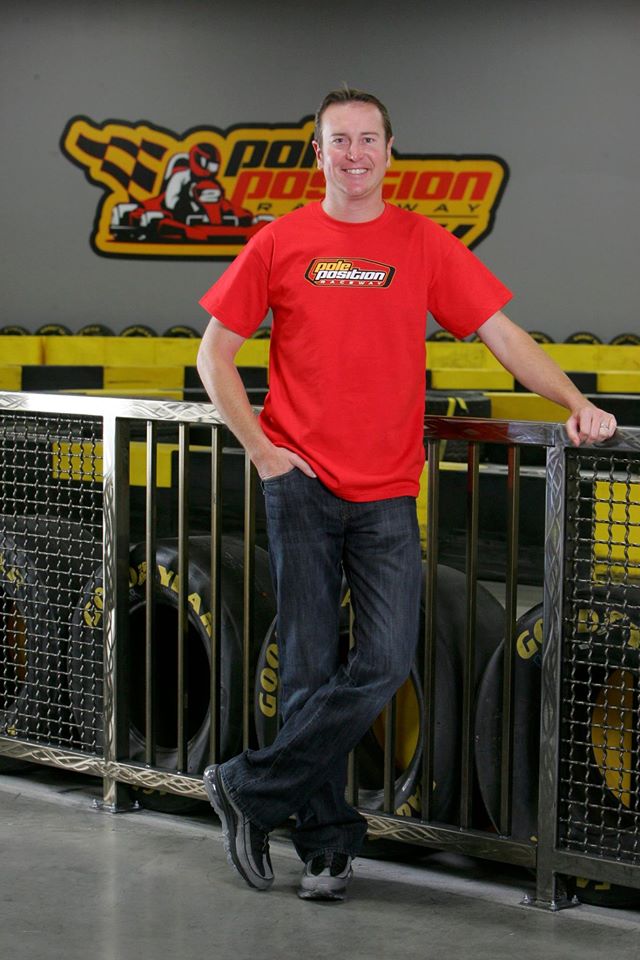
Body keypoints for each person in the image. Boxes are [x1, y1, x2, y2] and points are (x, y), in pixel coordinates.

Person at [196, 87, 617, 902]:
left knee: (386, 661)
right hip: (300, 487)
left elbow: (502, 334)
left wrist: (575, 401)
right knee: (308, 670)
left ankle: (246, 786)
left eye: (368, 140)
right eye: (339, 140)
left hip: (387, 492)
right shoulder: (280, 241)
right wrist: (262, 451)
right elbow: (214, 355)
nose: (354, 154)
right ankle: (326, 847)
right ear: (318, 153)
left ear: (390, 152)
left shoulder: (421, 241)